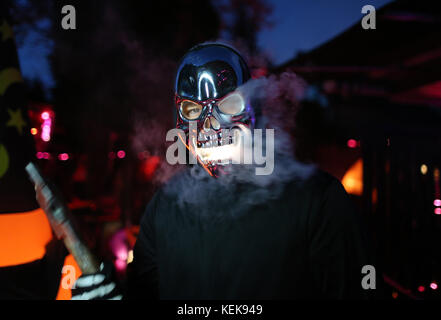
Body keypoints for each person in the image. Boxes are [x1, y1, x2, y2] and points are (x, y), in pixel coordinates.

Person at [72, 44, 379, 300]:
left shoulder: (317, 199)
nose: (211, 123)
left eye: (229, 104)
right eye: (193, 110)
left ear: (254, 109)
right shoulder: (165, 206)